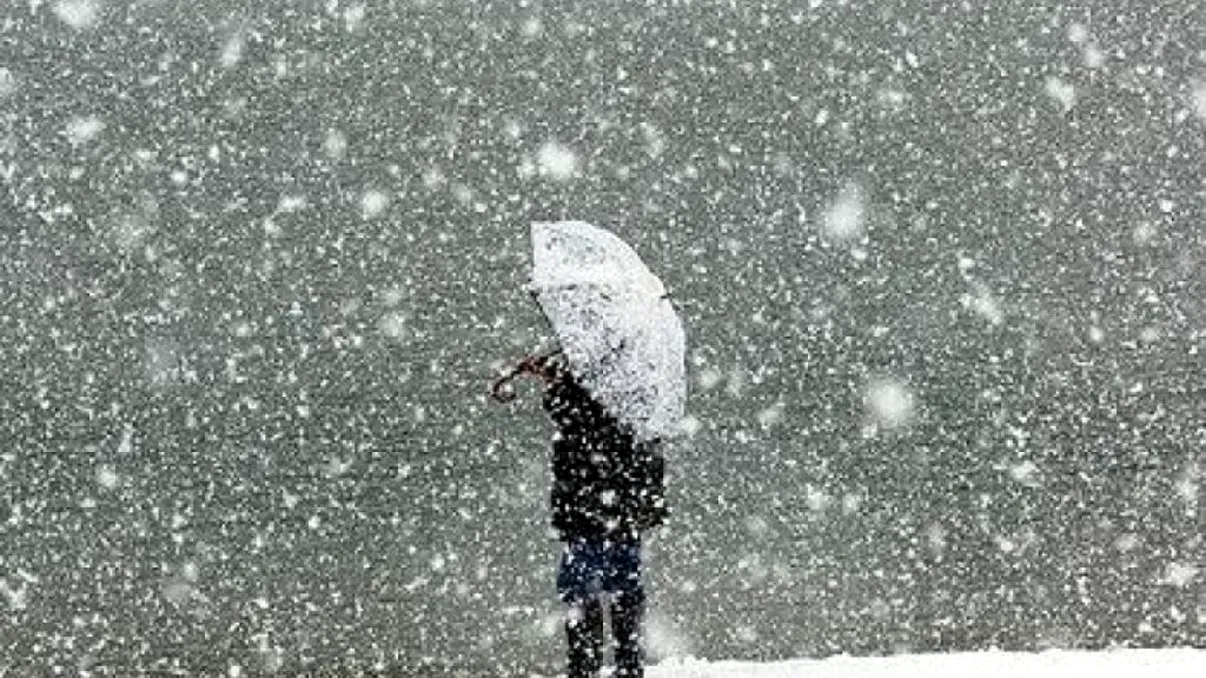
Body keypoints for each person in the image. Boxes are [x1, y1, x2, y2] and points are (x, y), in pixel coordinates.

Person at [492, 352, 667, 678]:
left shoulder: (588, 393)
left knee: (583, 591)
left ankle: (587, 667)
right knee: (623, 590)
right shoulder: (639, 383)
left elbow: (573, 416)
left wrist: (555, 383)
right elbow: (643, 453)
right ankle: (627, 667)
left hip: (588, 514)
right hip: (622, 514)